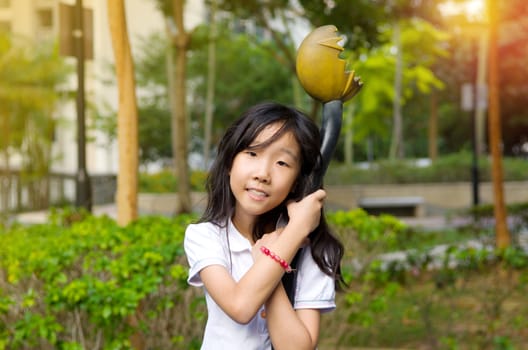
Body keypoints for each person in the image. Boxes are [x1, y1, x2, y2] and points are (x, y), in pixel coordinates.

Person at [184, 102, 345, 349]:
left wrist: (271, 256)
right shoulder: (205, 236)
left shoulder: (314, 249)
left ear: (296, 181)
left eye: (282, 163)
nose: (263, 173)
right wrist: (293, 234)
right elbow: (240, 306)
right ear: (229, 163)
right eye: (252, 153)